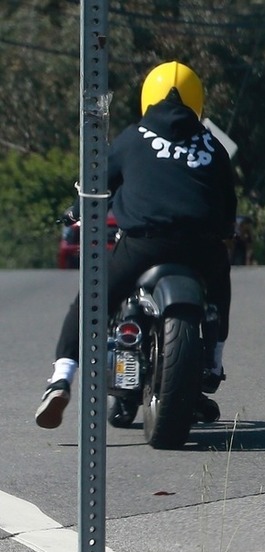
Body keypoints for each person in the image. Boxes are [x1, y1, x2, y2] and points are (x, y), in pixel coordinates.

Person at [35, 61, 236, 429]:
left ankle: (61, 377)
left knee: (91, 302)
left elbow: (97, 186)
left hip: (145, 244)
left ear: (148, 96)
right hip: (201, 247)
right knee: (219, 288)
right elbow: (228, 207)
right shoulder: (213, 144)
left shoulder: (134, 136)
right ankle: (213, 360)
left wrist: (75, 211)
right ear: (198, 101)